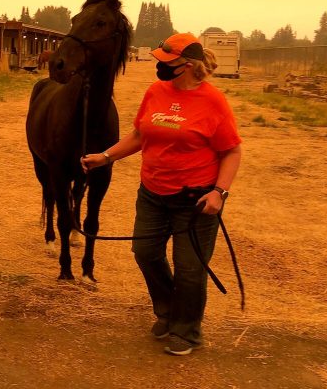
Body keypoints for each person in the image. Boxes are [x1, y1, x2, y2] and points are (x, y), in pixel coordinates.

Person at [81, 33, 242, 357]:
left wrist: (219, 193)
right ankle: (168, 311)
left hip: (195, 201)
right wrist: (106, 156)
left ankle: (187, 331)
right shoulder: (155, 91)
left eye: (166, 62)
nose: (160, 66)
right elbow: (141, 134)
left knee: (190, 268)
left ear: (187, 65)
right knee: (145, 252)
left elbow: (232, 151)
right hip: (153, 193)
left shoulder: (213, 101)